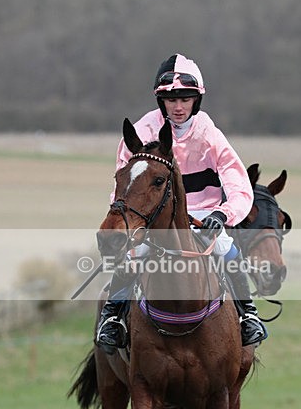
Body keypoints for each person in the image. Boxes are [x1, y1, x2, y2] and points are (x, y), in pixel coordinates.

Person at [96, 53, 267, 353]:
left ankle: (247, 315)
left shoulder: (210, 134)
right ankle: (113, 317)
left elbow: (239, 184)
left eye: (185, 99)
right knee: (134, 253)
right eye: (171, 99)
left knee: (228, 250)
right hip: (154, 219)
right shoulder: (141, 131)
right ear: (161, 100)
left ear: (195, 100)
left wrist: (222, 214)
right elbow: (122, 186)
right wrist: (129, 223)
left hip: (203, 215)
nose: (178, 107)